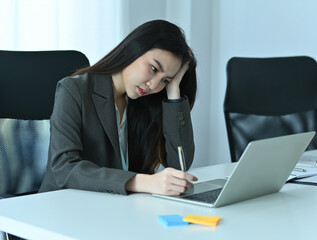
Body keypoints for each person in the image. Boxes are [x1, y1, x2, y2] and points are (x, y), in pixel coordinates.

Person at [39, 19, 198, 196]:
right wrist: (141, 181)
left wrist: (174, 90)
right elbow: (63, 168)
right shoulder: (73, 90)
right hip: (63, 207)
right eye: (153, 68)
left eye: (165, 80)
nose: (153, 85)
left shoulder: (144, 102)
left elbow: (179, 166)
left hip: (114, 209)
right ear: (134, 49)